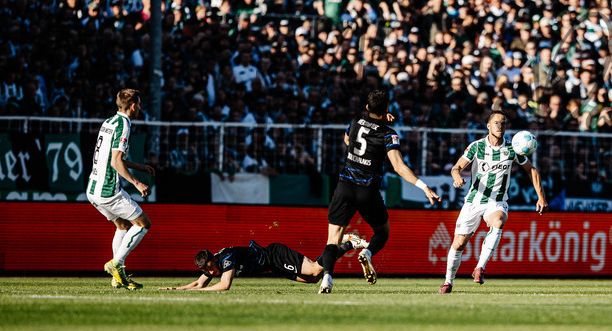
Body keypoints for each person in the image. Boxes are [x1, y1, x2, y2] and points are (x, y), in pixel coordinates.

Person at [317, 89, 440, 293]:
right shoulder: (389, 134)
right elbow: (398, 167)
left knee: (334, 238)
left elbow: (347, 140)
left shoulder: (356, 121)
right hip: (368, 191)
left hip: (345, 186)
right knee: (382, 233)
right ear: (386, 109)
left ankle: (327, 279)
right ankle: (367, 253)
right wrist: (424, 186)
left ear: (367, 107)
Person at [438, 111, 548, 294]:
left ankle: (479, 267)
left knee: (498, 221)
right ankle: (448, 282)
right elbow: (456, 167)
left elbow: (531, 170)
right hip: (474, 201)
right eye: (496, 123)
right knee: (459, 244)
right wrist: (456, 176)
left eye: (503, 123)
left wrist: (541, 197)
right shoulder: (477, 147)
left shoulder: (513, 148)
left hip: (497, 201)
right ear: (488, 126)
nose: (500, 126)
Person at [86, 88, 156, 290]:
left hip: (92, 189)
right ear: (133, 106)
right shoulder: (124, 124)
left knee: (123, 226)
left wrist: (140, 167)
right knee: (143, 223)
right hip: (108, 190)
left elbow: (112, 157)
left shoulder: (109, 122)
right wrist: (137, 183)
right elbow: (116, 162)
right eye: (139, 105)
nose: (140, 108)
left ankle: (118, 277)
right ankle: (116, 264)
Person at [159, 240, 356, 291]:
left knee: (314, 269)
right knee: (314, 279)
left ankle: (345, 244)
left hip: (276, 255)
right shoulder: (213, 263)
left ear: (215, 259)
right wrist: (177, 289)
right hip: (273, 266)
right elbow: (198, 283)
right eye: (208, 270)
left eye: (211, 268)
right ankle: (344, 246)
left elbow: (225, 285)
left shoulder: (225, 259)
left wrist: (199, 292)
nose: (211, 272)